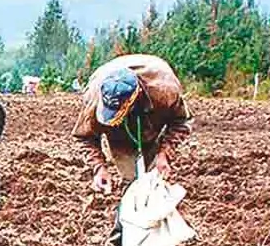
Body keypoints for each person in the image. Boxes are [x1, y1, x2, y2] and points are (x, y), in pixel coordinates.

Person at [71, 54, 193, 195]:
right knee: (131, 180)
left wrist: (164, 153)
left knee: (154, 178)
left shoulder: (165, 91)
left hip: (152, 121)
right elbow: (84, 137)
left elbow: (181, 121)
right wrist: (99, 168)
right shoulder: (93, 98)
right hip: (119, 137)